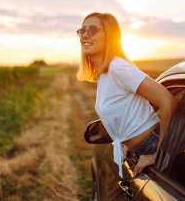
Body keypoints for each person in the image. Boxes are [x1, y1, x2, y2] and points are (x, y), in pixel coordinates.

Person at [76, 12, 177, 177]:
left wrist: (159, 152)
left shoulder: (119, 68)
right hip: (140, 148)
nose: (85, 35)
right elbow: (129, 109)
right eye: (82, 30)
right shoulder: (105, 73)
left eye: (93, 30)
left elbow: (167, 101)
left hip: (151, 146)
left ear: (109, 36)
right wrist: (126, 141)